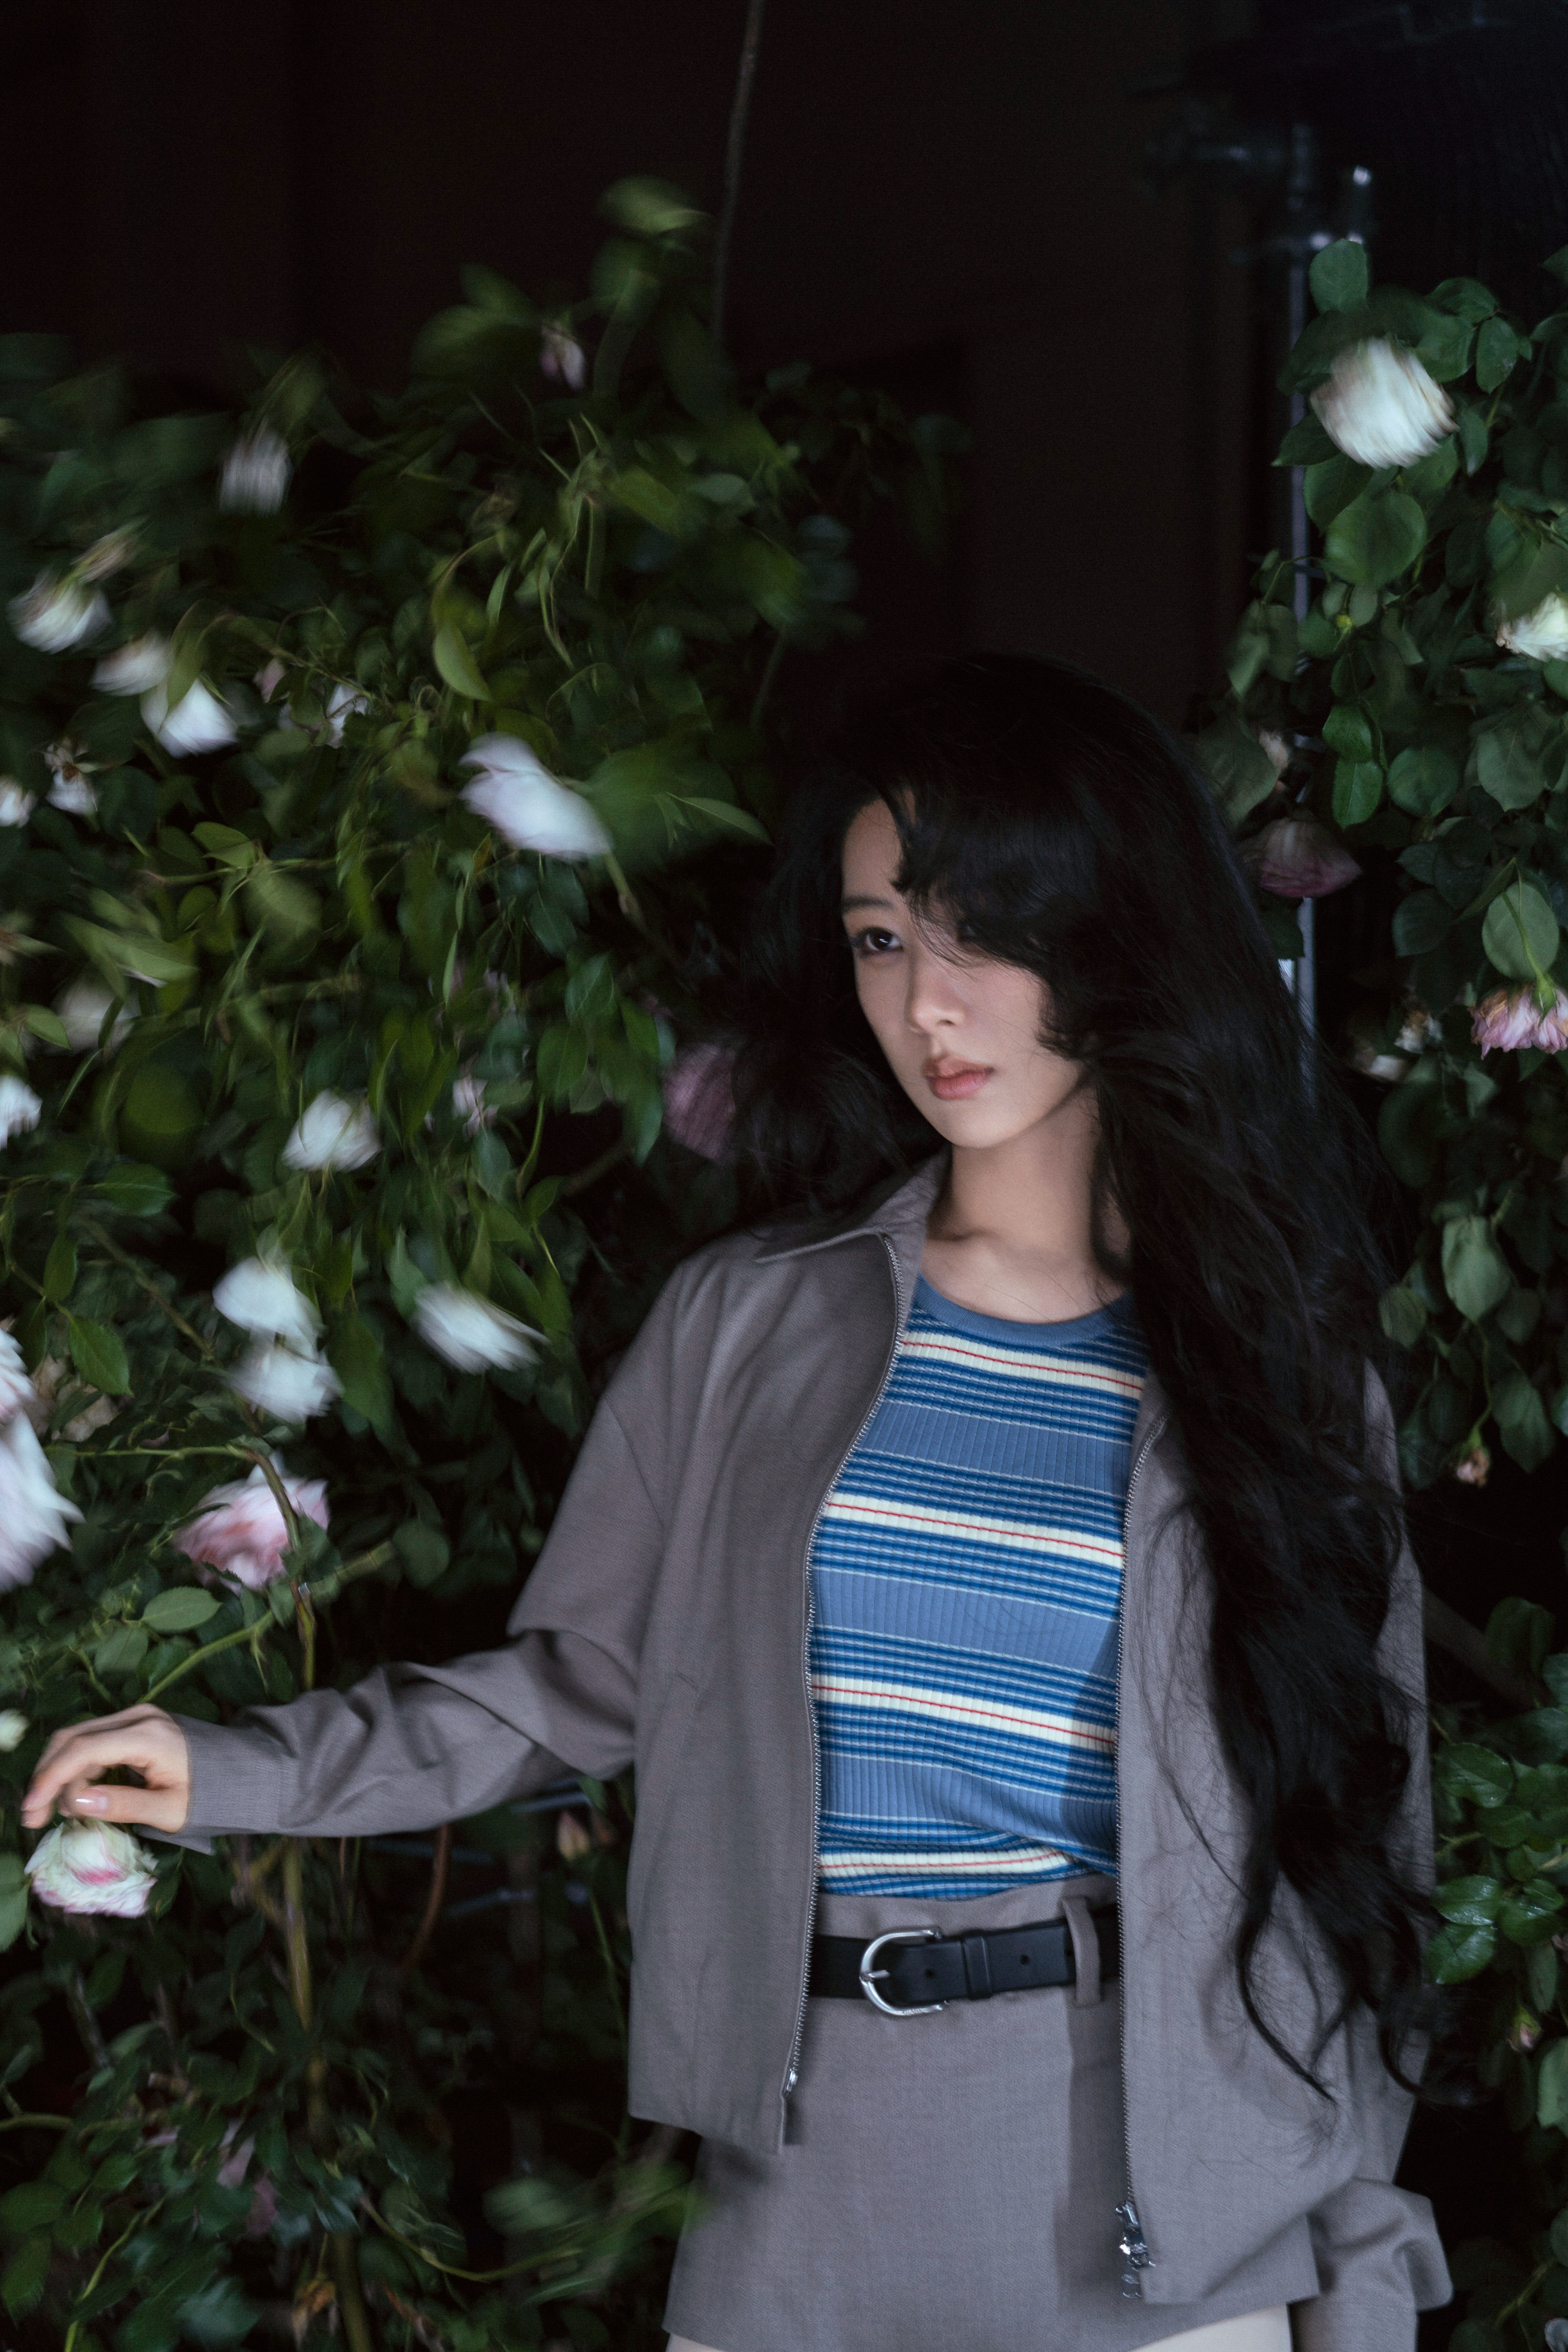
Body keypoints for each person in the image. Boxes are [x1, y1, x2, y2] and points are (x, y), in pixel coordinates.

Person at [25, 656, 1452, 2352]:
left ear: (1116, 932)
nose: (928, 1005)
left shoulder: (1276, 1374)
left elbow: (1356, 1850)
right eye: (880, 939)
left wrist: (1359, 2284)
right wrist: (237, 1771)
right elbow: (579, 1686)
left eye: (981, 931)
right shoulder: (752, 1320)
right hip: (794, 2199)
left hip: (1163, 2217)